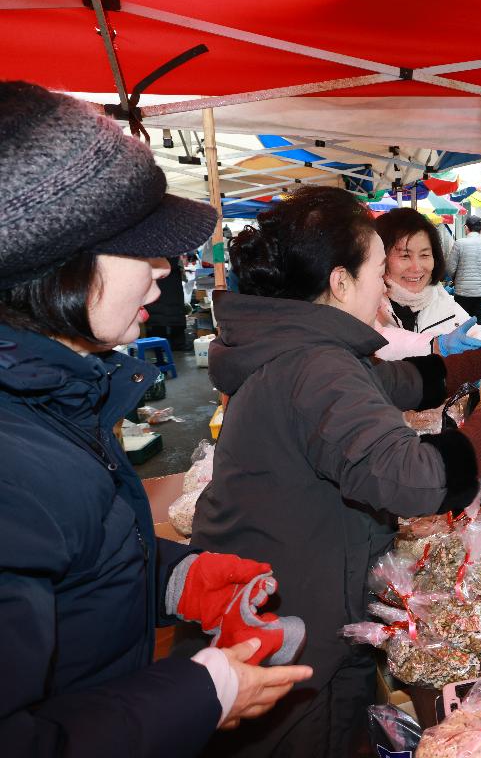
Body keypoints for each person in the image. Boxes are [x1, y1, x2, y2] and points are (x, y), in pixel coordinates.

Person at [0, 82, 311, 758]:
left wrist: (170, 576)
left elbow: (66, 562)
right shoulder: (13, 461)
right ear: (54, 265)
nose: (165, 271)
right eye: (141, 250)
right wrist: (202, 694)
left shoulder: (48, 402)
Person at [183, 186, 481, 757]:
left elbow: (394, 383)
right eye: (380, 269)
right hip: (293, 614)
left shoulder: (301, 344)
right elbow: (414, 481)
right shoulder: (316, 365)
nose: (387, 283)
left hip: (280, 588)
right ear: (339, 282)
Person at [373, 208, 481, 361]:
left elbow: (477, 336)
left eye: (425, 255)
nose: (416, 268)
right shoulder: (366, 304)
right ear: (378, 258)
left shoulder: (441, 299)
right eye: (405, 256)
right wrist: (433, 345)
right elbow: (372, 341)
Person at [447, 214, 481, 323]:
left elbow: (450, 268)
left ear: (466, 228)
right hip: (480, 293)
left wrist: (456, 279)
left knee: (462, 323)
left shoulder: (459, 244)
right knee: (477, 322)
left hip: (462, 292)